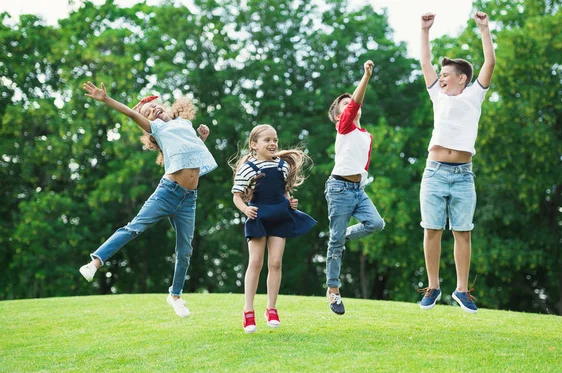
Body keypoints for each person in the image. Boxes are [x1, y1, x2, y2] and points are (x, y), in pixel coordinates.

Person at [78, 81, 217, 318]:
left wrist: (201, 139)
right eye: (148, 112)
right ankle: (95, 262)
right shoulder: (158, 129)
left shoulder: (184, 123)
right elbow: (132, 113)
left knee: (185, 249)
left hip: (188, 199)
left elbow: (189, 154)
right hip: (167, 192)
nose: (153, 110)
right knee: (134, 228)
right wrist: (106, 99)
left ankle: (175, 295)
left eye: (154, 106)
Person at [418, 11, 495, 313]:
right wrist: (424, 31)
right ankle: (433, 286)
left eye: (446, 73)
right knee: (431, 229)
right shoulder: (438, 95)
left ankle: (462, 290)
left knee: (462, 231)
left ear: (462, 78)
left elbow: (489, 63)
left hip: (463, 175)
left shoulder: (474, 95)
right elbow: (425, 62)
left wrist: (484, 28)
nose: (441, 76)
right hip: (434, 172)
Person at [231, 124, 315, 333]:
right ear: (254, 144)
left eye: (274, 140)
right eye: (267, 140)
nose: (272, 143)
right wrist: (245, 210)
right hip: (258, 216)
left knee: (275, 263)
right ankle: (248, 312)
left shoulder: (282, 166)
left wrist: (290, 202)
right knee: (256, 262)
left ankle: (271, 308)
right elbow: (236, 195)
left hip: (279, 216)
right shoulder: (248, 168)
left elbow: (284, 191)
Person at [324, 60, 385, 315]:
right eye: (347, 105)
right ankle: (333, 290)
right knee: (335, 243)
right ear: (340, 116)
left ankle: (344, 236)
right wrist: (366, 76)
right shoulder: (344, 127)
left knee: (376, 224)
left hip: (358, 191)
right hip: (339, 189)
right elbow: (355, 104)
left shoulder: (365, 135)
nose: (353, 106)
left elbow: (364, 166)